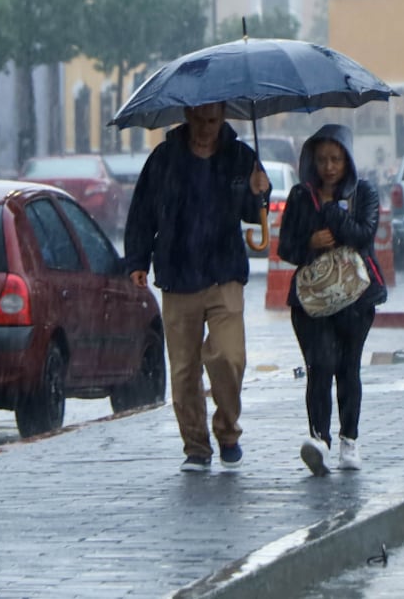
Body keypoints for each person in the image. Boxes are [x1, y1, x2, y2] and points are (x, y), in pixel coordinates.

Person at [124, 102, 271, 473]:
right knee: (184, 369)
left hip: (224, 273)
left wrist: (259, 193)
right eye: (201, 120)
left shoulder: (240, 156)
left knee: (228, 356)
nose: (207, 128)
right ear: (187, 117)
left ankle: (227, 430)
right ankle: (196, 446)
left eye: (214, 120)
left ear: (223, 118)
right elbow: (142, 211)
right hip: (177, 273)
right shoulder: (165, 158)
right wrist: (137, 261)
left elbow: (255, 216)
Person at [277, 124, 386, 476]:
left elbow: (364, 236)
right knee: (319, 365)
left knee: (348, 367)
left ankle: (349, 440)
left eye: (336, 159)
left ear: (348, 160)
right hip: (312, 301)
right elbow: (286, 248)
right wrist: (310, 242)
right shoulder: (298, 196)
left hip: (355, 297)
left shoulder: (363, 193)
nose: (328, 167)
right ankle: (319, 440)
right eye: (322, 159)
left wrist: (334, 214)